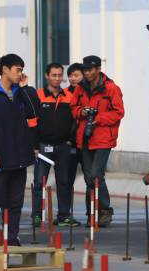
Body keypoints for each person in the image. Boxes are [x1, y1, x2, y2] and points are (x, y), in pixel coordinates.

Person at [0, 54, 40, 246]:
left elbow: (34, 112)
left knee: (16, 202)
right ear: (4, 69)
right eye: (17, 70)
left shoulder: (21, 93)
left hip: (19, 158)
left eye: (21, 70)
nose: (20, 74)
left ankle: (12, 237)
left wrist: (25, 89)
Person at [71, 55, 124, 227]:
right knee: (89, 178)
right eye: (85, 70)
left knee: (96, 175)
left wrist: (98, 118)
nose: (87, 73)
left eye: (90, 69)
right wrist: (82, 112)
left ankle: (105, 210)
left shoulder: (111, 88)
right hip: (85, 137)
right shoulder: (80, 88)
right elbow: (73, 107)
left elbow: (119, 112)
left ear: (98, 69)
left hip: (103, 138)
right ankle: (92, 213)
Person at [32, 63, 80, 227]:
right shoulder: (38, 95)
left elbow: (76, 120)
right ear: (47, 76)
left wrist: (70, 140)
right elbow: (32, 122)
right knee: (39, 182)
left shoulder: (69, 96)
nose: (57, 78)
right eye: (54, 75)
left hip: (63, 146)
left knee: (64, 182)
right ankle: (37, 216)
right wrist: (34, 145)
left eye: (60, 75)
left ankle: (64, 216)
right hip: (43, 146)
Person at [65, 63, 84, 217]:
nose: (73, 78)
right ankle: (65, 213)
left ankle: (92, 213)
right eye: (70, 75)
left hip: (86, 143)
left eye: (76, 75)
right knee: (67, 179)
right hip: (69, 143)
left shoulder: (88, 93)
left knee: (91, 178)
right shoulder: (64, 94)